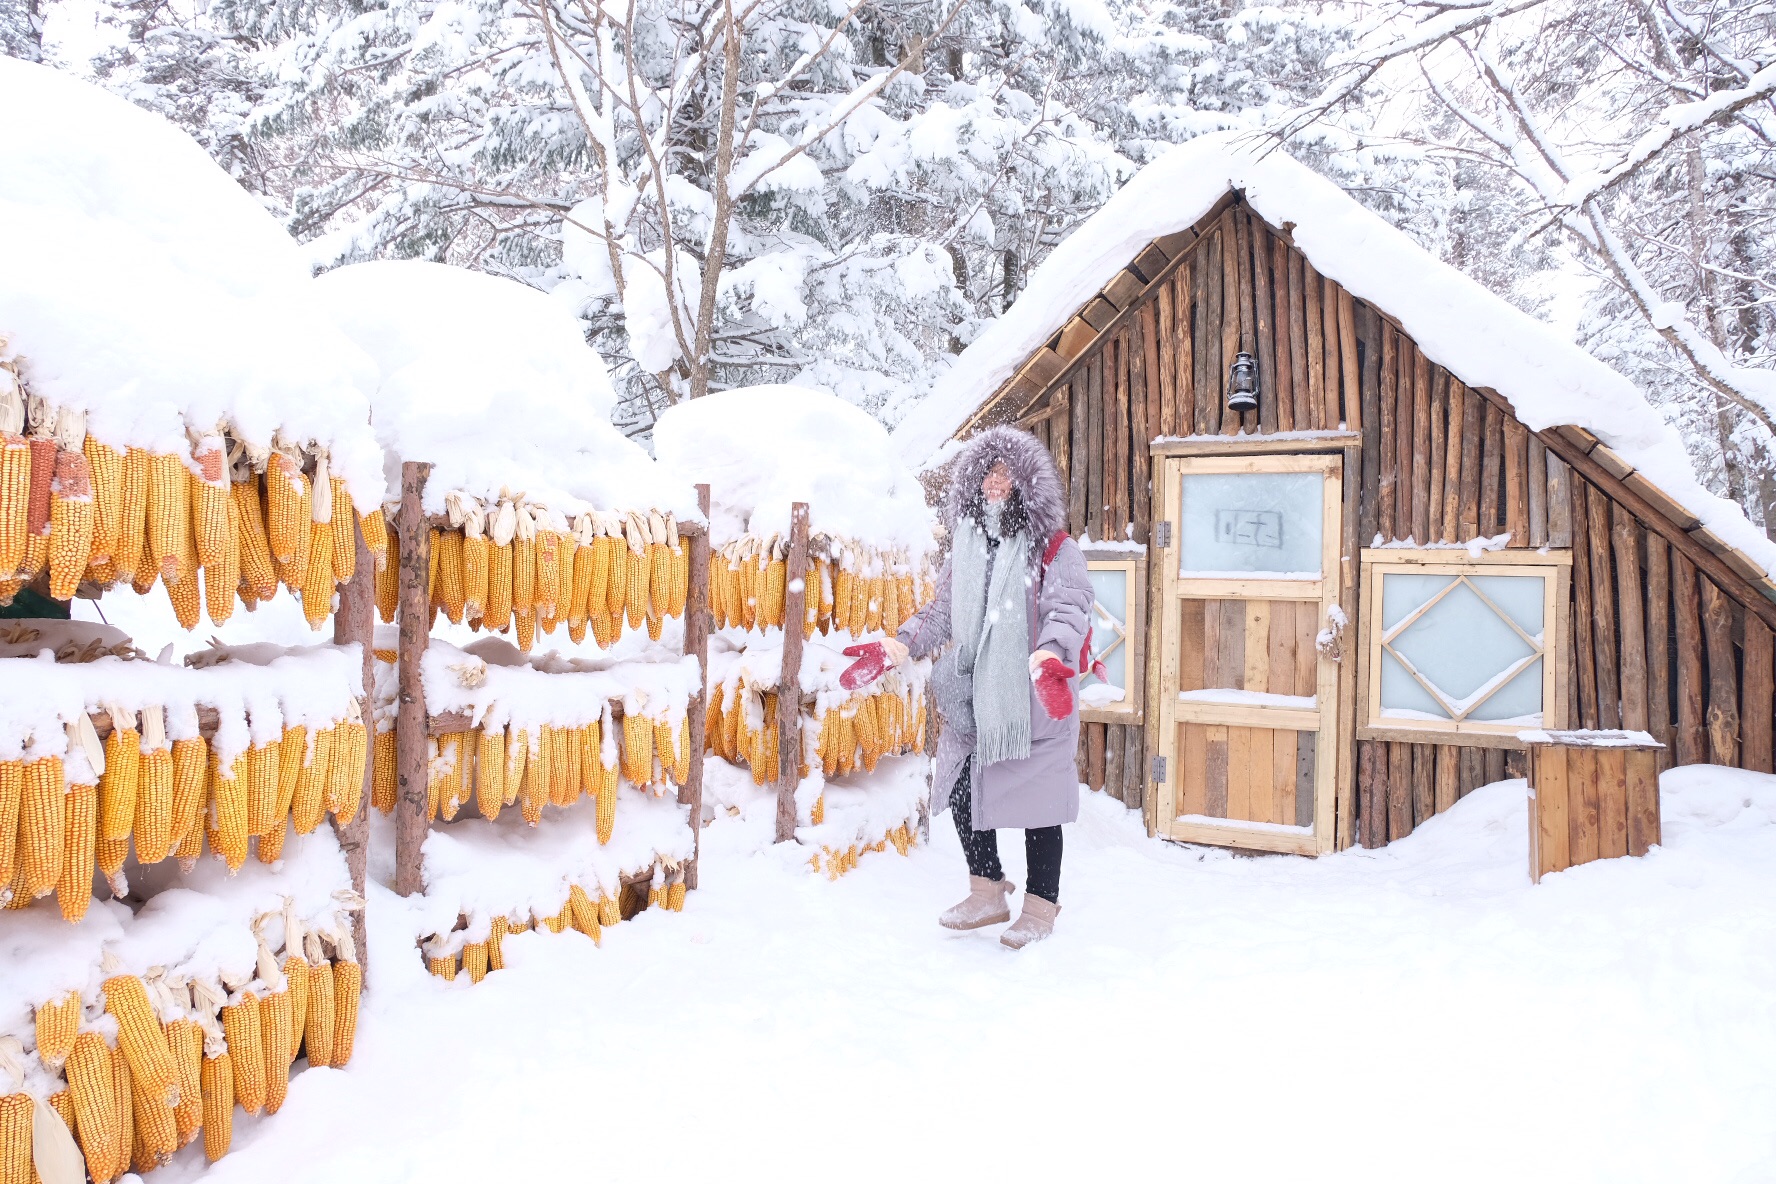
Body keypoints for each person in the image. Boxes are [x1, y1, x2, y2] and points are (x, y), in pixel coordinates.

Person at [842, 426, 1092, 948]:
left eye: (1006, 472)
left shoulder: (1054, 550)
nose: (995, 482)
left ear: (1026, 483)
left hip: (1035, 700)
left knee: (1039, 809)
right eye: (987, 472)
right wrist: (898, 646)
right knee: (962, 788)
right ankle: (986, 891)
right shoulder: (968, 547)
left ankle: (1041, 910)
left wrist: (1050, 654)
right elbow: (940, 613)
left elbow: (1068, 609)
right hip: (978, 698)